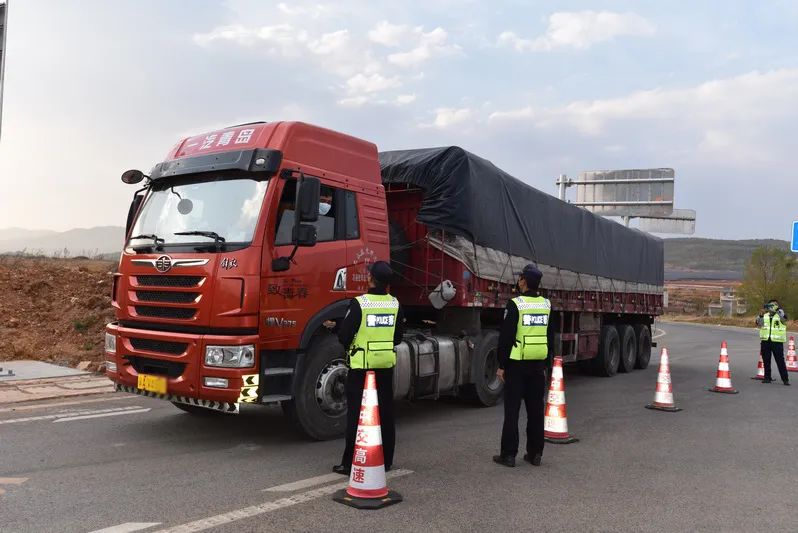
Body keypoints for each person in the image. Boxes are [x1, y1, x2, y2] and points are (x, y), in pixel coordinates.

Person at [332, 261, 405, 475]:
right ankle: (387, 460)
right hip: (384, 366)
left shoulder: (360, 304)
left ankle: (349, 463)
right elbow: (398, 337)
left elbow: (345, 336)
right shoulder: (395, 304)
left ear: (370, 279)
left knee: (357, 414)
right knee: (385, 413)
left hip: (362, 367)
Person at [493, 264, 551, 468]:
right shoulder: (546, 305)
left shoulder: (515, 304)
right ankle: (535, 453)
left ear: (524, 281)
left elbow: (506, 338)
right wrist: (547, 364)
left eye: (520, 278)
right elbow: (551, 337)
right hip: (538, 366)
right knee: (535, 410)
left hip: (517, 366)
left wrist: (502, 365)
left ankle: (509, 455)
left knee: (512, 411)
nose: (518, 281)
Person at [756, 299, 790, 385]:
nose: (772, 307)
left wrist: (779, 310)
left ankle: (785, 379)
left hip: (777, 342)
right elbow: (759, 324)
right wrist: (761, 315)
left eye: (774, 305)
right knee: (766, 360)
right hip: (766, 341)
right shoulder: (765, 315)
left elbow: (784, 319)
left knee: (780, 361)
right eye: (770, 305)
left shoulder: (780, 315)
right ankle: (767, 378)